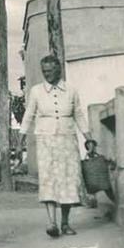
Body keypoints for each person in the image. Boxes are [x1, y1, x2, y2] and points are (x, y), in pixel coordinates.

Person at [20, 55, 92, 237]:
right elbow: (29, 114)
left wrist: (88, 138)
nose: (47, 75)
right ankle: (52, 223)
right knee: (49, 179)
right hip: (46, 141)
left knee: (68, 180)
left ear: (59, 70)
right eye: (44, 71)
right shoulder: (36, 91)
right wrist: (21, 136)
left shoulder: (71, 90)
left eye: (50, 71)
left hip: (68, 140)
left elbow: (79, 114)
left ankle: (65, 223)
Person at [81, 138, 117, 214]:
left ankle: (115, 202)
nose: (91, 147)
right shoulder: (86, 155)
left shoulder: (100, 154)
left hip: (100, 178)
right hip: (95, 179)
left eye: (92, 145)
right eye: (89, 145)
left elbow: (110, 161)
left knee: (107, 188)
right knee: (105, 188)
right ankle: (114, 202)